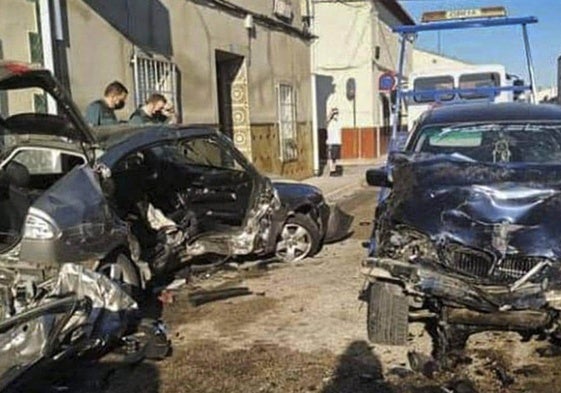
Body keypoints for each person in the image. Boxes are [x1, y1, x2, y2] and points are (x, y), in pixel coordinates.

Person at [326, 107, 342, 176]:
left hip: (337, 142)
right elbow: (327, 120)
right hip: (331, 142)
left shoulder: (338, 122)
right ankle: (331, 171)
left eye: (337, 113)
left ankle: (334, 169)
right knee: (330, 157)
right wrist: (331, 113)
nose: (336, 115)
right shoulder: (330, 122)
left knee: (335, 158)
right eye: (335, 113)